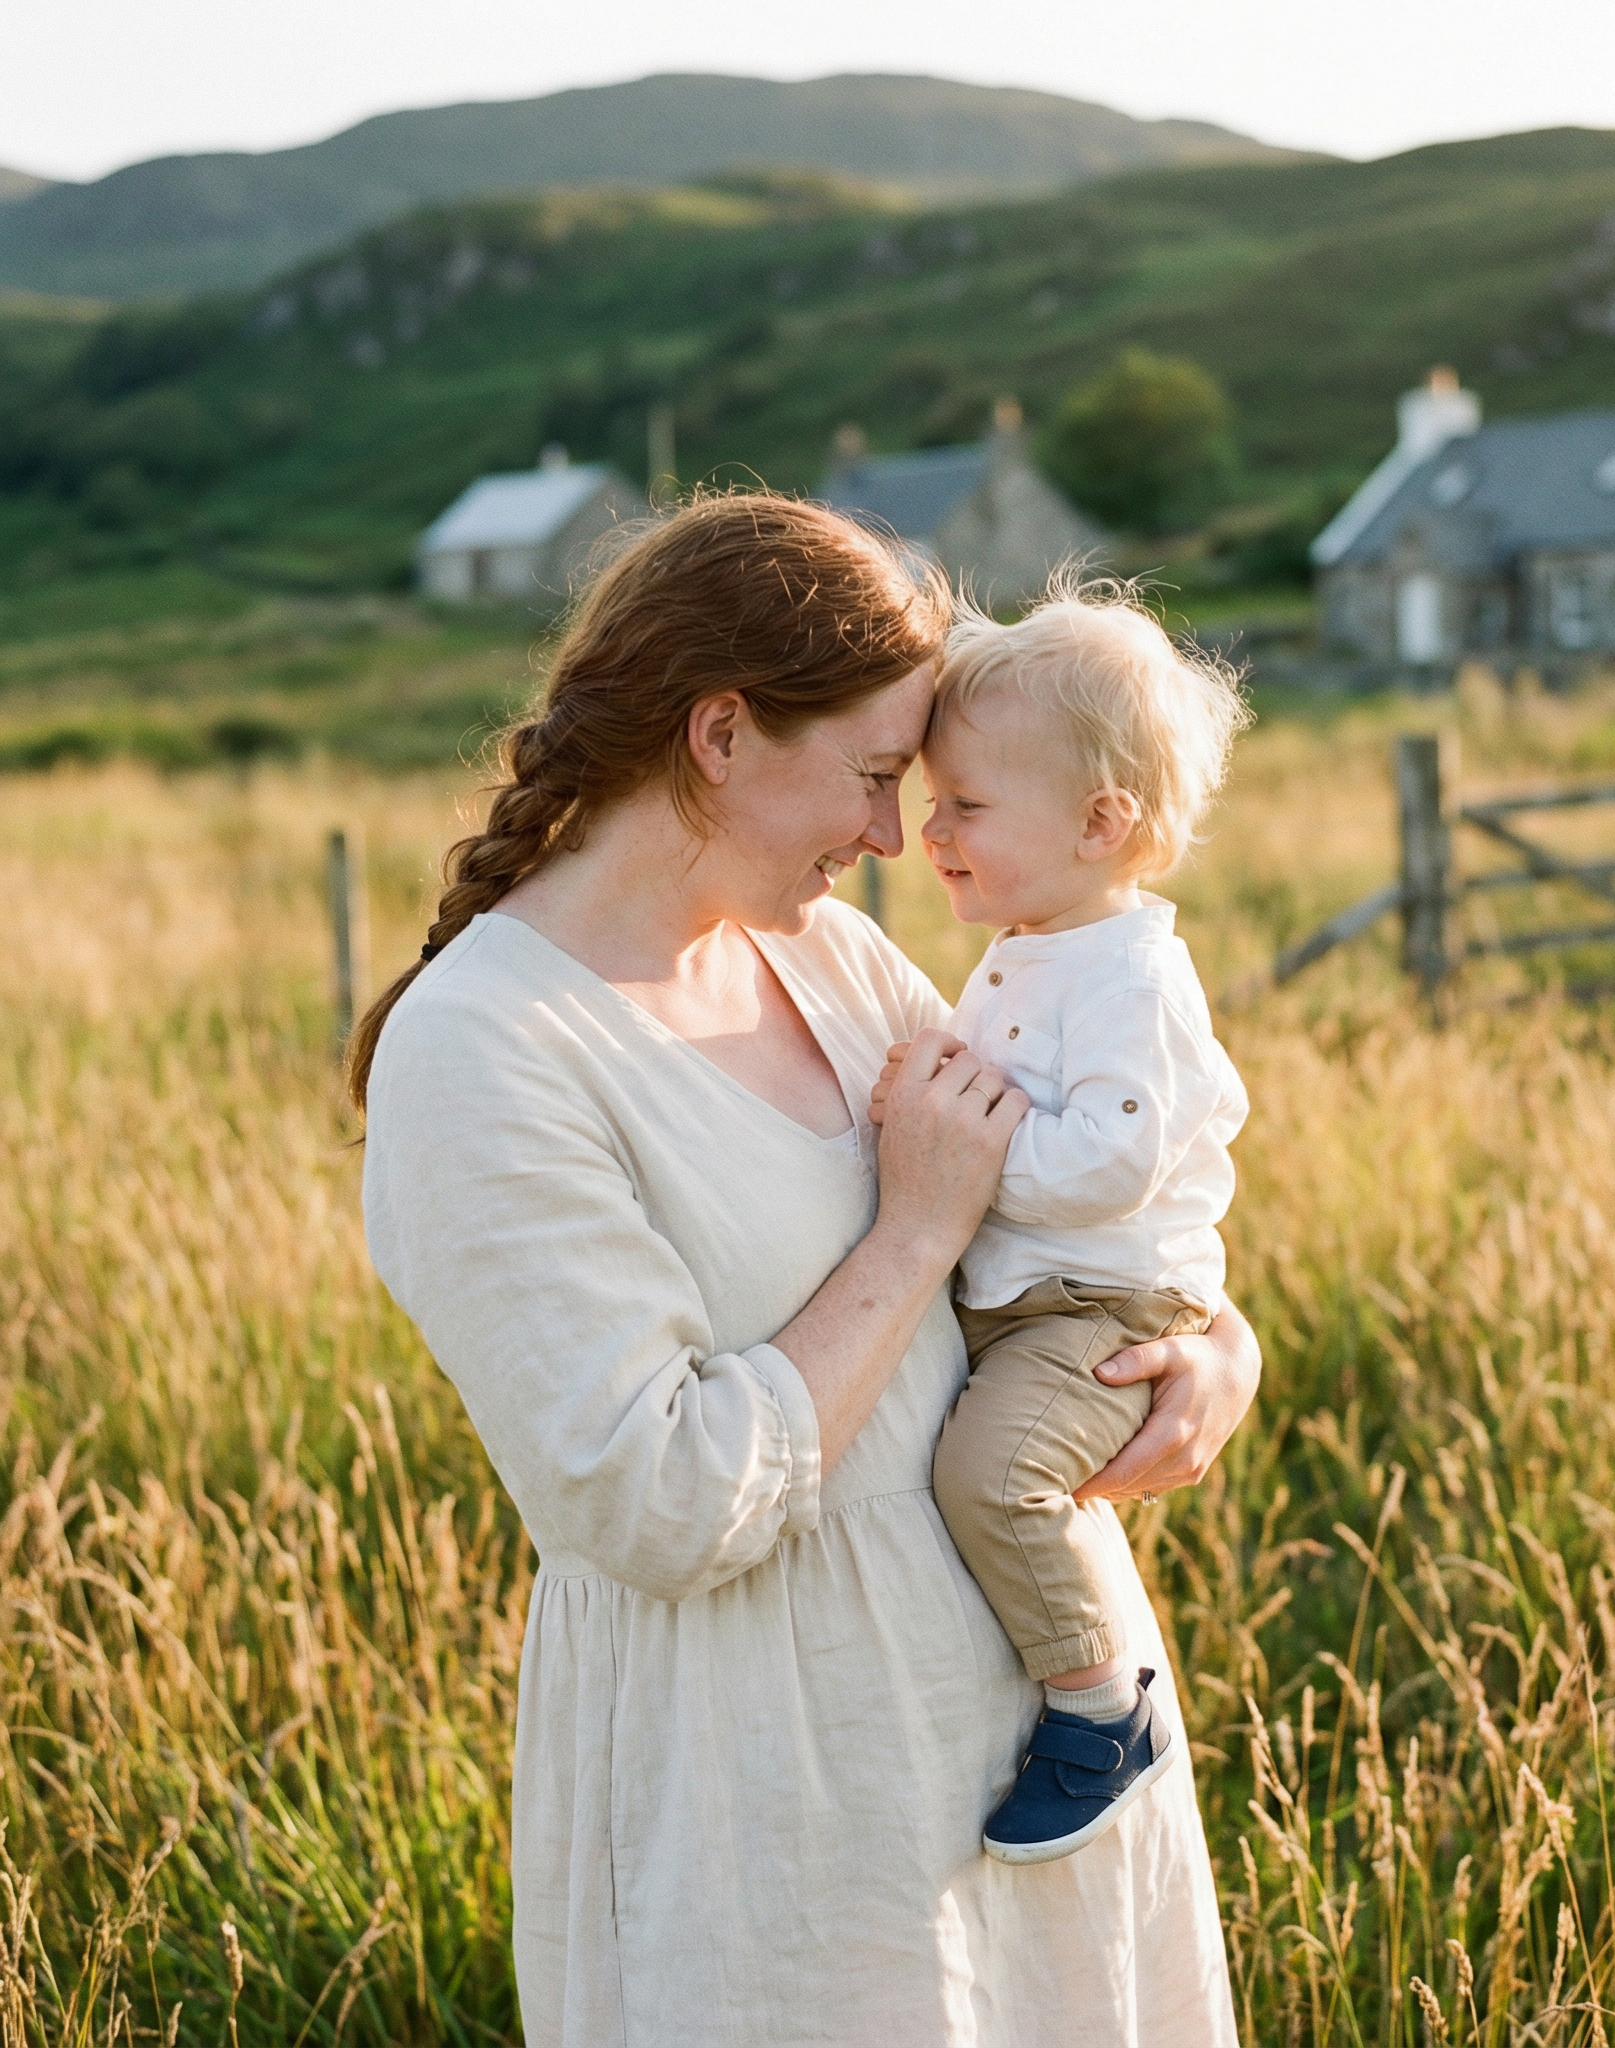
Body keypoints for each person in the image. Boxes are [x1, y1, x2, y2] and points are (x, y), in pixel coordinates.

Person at [346, 494, 1258, 2046]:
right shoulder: (487, 1051)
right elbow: (658, 1499)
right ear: (720, 737)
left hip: (1035, 1747)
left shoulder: (831, 959)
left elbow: (1078, 1199)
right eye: (877, 776)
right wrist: (910, 1233)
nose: (898, 838)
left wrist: (1214, 1337)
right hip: (773, 1788)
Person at [869, 585, 1250, 1867]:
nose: (930, 831)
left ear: (1101, 822)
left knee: (991, 1474)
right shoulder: (1038, 944)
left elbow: (1108, 1164)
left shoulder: (1129, 976)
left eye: (966, 805)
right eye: (932, 800)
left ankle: (1099, 1706)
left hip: (1094, 1308)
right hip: (1035, 1294)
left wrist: (957, 1155)